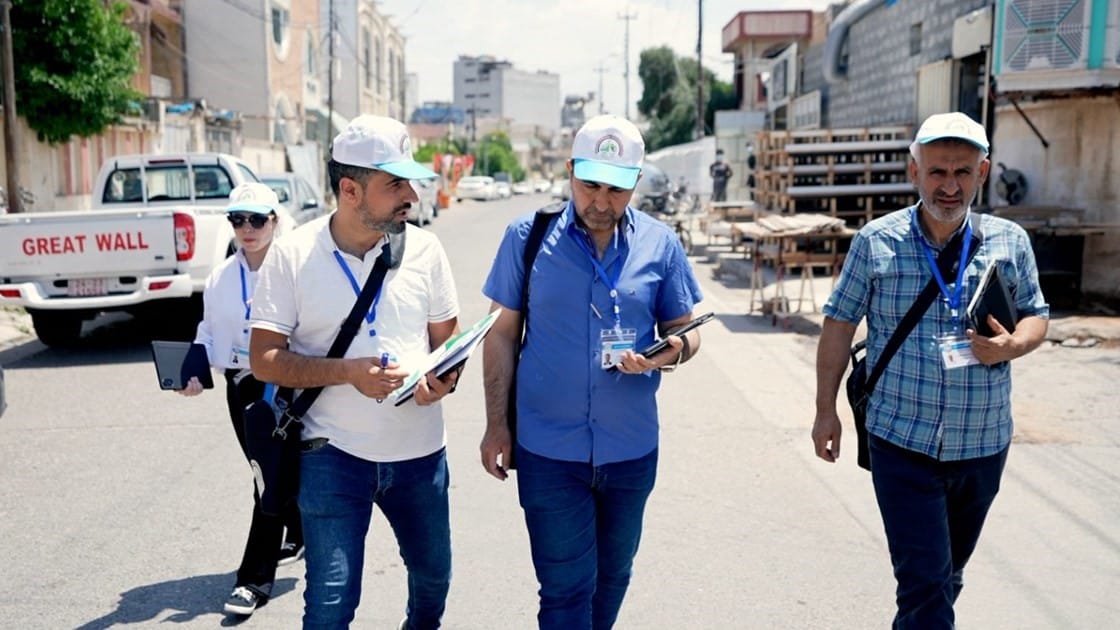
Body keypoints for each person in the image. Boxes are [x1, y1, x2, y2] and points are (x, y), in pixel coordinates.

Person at [811, 112, 1050, 629]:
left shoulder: (1009, 241)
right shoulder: (876, 242)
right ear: (914, 171)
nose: (949, 185)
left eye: (962, 172)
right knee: (923, 583)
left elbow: (1037, 315)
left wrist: (1011, 345)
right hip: (901, 440)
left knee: (946, 575)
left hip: (983, 444)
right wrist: (824, 411)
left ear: (983, 172)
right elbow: (837, 326)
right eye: (937, 171)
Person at [480, 114, 704, 629]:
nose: (601, 202)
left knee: (613, 578)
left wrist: (666, 352)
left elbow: (688, 330)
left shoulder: (660, 244)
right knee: (563, 591)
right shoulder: (527, 238)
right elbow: (500, 335)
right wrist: (497, 424)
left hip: (630, 450)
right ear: (569, 171)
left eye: (616, 189)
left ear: (636, 184)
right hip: (548, 451)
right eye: (590, 185)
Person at [248, 115, 462, 629]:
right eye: (395, 184)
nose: (410, 194)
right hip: (332, 457)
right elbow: (264, 359)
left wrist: (443, 381)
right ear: (349, 190)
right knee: (330, 604)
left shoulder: (426, 250)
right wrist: (348, 373)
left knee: (434, 579)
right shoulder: (292, 256)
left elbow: (449, 345)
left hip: (420, 456)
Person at [176, 182, 303, 617]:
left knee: (267, 480)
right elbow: (209, 334)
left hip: (291, 385)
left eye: (257, 220)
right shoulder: (220, 277)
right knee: (270, 474)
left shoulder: (296, 267)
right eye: (237, 220)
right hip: (243, 387)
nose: (246, 229)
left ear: (275, 221)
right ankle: (297, 529)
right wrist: (191, 374)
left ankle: (252, 581)